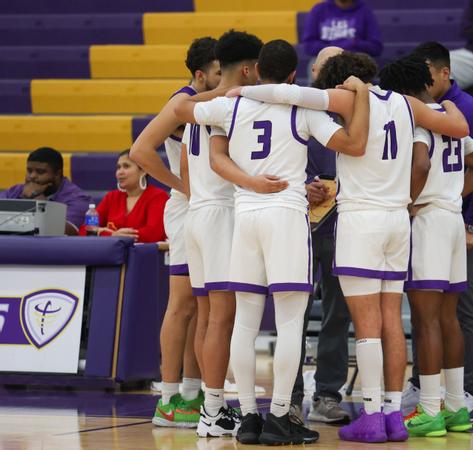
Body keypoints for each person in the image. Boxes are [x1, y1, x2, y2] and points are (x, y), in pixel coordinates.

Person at [234, 50, 469, 443]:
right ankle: (394, 415)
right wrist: (445, 102)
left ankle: (373, 415)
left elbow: (286, 95)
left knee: (367, 327)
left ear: (340, 81)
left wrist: (236, 90)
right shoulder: (407, 103)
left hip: (362, 219)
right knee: (392, 320)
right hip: (398, 218)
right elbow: (459, 128)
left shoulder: (346, 97)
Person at [178, 40, 371, 445]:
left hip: (245, 216)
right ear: (292, 76)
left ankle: (248, 416)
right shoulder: (304, 108)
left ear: (254, 70)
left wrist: (234, 95)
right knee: (288, 324)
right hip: (285, 215)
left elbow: (182, 110)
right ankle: (280, 416)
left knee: (245, 325)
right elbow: (354, 144)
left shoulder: (229, 106)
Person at [379, 55, 473, 437]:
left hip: (427, 219)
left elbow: (422, 166)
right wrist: (452, 196)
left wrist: (408, 202)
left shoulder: (416, 119)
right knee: (448, 318)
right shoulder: (449, 117)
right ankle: (457, 407)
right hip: (452, 219)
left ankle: (430, 408)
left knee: (426, 320)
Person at [130, 36, 222, 427]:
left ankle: (189, 391)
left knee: (200, 306)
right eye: (219, 73)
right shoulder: (183, 100)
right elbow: (139, 152)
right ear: (201, 75)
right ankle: (168, 397)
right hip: (187, 209)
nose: (225, 79)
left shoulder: (206, 102)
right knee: (183, 305)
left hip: (205, 207)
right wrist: (179, 184)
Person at [406, 41, 473, 419]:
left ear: (445, 73)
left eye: (430, 74)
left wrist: (471, 219)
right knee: (443, 314)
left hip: (453, 222)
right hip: (447, 214)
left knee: (463, 311)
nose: (425, 82)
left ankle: (469, 389)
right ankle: (441, 393)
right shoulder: (442, 112)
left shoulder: (467, 110)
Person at [179, 30, 262, 438]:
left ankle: (212, 407)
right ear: (247, 68)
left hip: (196, 213)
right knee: (220, 319)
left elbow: (183, 169)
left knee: (207, 318)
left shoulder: (196, 107)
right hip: (221, 214)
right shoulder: (232, 105)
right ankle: (212, 410)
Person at [289, 45, 352, 426]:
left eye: (337, 65)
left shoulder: (355, 109)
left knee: (338, 314)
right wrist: (302, 185)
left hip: (343, 222)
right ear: (313, 69)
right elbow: (271, 159)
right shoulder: (295, 107)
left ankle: (327, 395)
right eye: (325, 65)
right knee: (292, 312)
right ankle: (290, 396)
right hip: (298, 221)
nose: (330, 71)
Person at [79, 149, 168, 243]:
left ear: (143, 170)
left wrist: (112, 236)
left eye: (126, 166)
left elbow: (153, 234)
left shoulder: (158, 196)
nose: (120, 172)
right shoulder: (112, 197)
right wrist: (111, 235)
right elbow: (84, 230)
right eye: (118, 167)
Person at [0, 147, 91, 235]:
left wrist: (38, 200)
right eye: (29, 171)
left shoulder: (78, 199)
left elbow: (66, 231)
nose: (32, 176)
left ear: (57, 174)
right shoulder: (15, 191)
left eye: (40, 172)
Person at [301, 0, 383, 58]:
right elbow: (308, 46)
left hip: (354, 60)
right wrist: (334, 48)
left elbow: (376, 47)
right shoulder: (319, 9)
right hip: (327, 60)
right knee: (315, 64)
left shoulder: (365, 11)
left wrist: (354, 43)